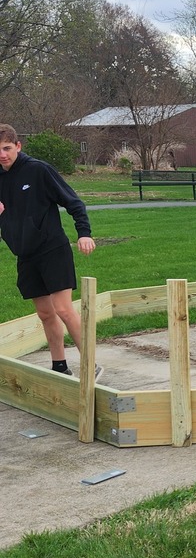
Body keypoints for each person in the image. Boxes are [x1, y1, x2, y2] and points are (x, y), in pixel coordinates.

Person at [0, 124, 99, 378]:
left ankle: (91, 363)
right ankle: (59, 366)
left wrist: (84, 233)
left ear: (18, 146)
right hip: (25, 254)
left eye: (7, 148)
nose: (2, 154)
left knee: (63, 309)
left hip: (52, 248)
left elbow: (73, 202)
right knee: (45, 313)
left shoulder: (39, 171)